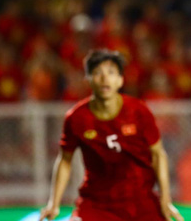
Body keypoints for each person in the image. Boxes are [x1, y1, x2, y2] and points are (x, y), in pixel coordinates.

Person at [39, 49, 183, 221]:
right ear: (88, 79)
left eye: (111, 73)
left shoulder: (139, 111)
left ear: (121, 79)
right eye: (97, 73)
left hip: (140, 201)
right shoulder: (76, 118)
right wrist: (53, 203)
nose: (105, 78)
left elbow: (158, 154)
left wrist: (165, 199)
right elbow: (65, 160)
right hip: (96, 203)